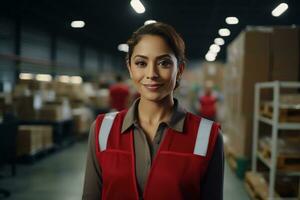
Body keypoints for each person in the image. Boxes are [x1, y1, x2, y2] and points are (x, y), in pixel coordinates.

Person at [82, 22, 224, 200]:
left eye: (164, 63)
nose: (151, 74)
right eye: (141, 63)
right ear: (130, 68)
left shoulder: (207, 136)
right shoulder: (102, 130)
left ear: (179, 70)